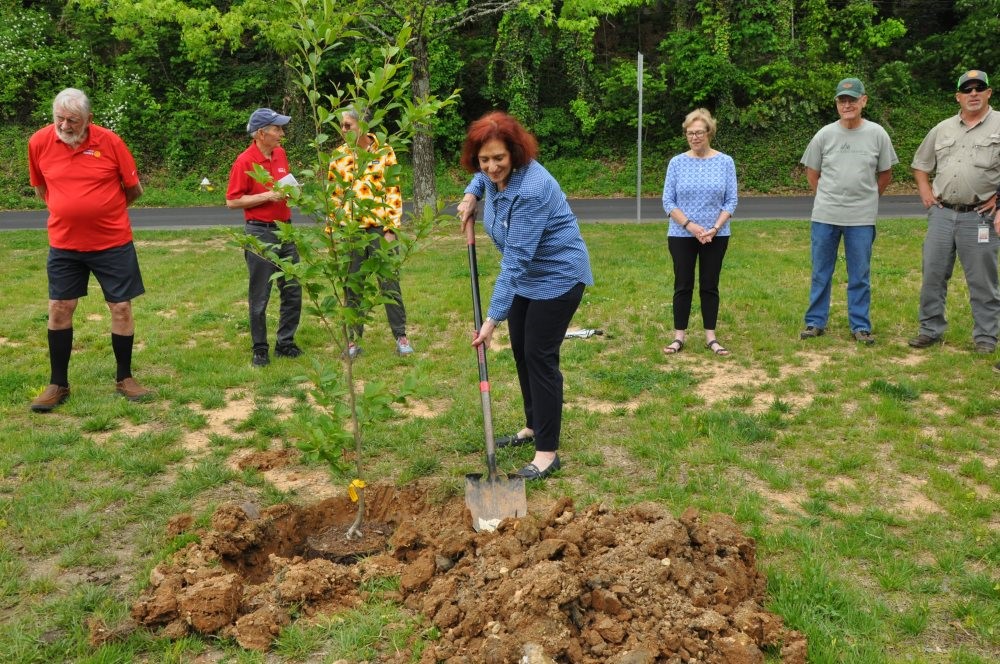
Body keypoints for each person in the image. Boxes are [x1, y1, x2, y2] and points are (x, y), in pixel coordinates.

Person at [457, 111, 593, 481]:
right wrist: (472, 194)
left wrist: (490, 320)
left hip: (558, 277)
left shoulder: (532, 189)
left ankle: (547, 453)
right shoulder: (491, 176)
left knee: (539, 356)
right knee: (522, 350)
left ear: (515, 154)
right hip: (527, 278)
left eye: (499, 158)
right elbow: (481, 179)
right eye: (484, 159)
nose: (491, 167)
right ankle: (533, 425)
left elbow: (514, 262)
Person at [26, 87, 152, 412]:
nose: (65, 126)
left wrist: (104, 211)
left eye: (73, 120)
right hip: (64, 245)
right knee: (59, 308)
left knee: (121, 308)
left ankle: (125, 378)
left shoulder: (110, 142)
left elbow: (134, 189)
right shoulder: (39, 142)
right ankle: (58, 384)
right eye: (60, 119)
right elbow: (40, 187)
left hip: (112, 243)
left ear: (89, 119)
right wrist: (68, 211)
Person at [799, 78, 898, 345]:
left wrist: (869, 198)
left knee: (860, 274)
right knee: (821, 271)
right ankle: (815, 322)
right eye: (842, 100)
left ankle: (860, 326)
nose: (847, 105)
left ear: (863, 101)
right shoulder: (824, 134)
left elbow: (886, 173)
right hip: (825, 215)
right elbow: (812, 172)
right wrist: (828, 197)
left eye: (852, 100)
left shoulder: (877, 134)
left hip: (861, 218)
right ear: (836, 104)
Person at [909, 69, 1000, 355]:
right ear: (958, 97)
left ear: (988, 93)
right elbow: (921, 165)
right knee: (933, 275)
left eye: (979, 88)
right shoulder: (942, 129)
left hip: (980, 217)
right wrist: (925, 192)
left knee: (982, 281)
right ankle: (930, 329)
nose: (973, 94)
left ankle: (986, 337)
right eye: (967, 89)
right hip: (942, 214)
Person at [328, 106, 413, 358]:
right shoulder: (338, 156)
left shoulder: (385, 152)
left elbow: (393, 192)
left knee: (389, 283)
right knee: (352, 285)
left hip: (379, 230)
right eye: (341, 126)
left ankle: (401, 336)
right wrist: (332, 232)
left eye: (347, 126)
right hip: (351, 231)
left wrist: (391, 229)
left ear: (363, 127)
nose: (343, 131)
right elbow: (334, 198)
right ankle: (353, 340)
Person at [226, 107, 303, 367]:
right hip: (260, 232)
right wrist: (268, 196)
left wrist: (292, 193)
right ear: (261, 133)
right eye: (277, 129)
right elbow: (233, 200)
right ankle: (260, 348)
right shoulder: (244, 162)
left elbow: (284, 187)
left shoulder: (280, 154)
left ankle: (286, 343)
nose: (282, 133)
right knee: (260, 293)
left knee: (293, 289)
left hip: (286, 230)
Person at [660, 108, 738, 356]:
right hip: (682, 233)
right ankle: (678, 337)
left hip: (716, 234)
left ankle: (711, 337)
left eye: (699, 132)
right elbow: (668, 202)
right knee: (683, 284)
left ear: (709, 133)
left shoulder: (725, 162)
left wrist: (715, 228)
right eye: (689, 133)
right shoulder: (676, 163)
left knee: (709, 284)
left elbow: (731, 200)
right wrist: (691, 226)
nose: (694, 137)